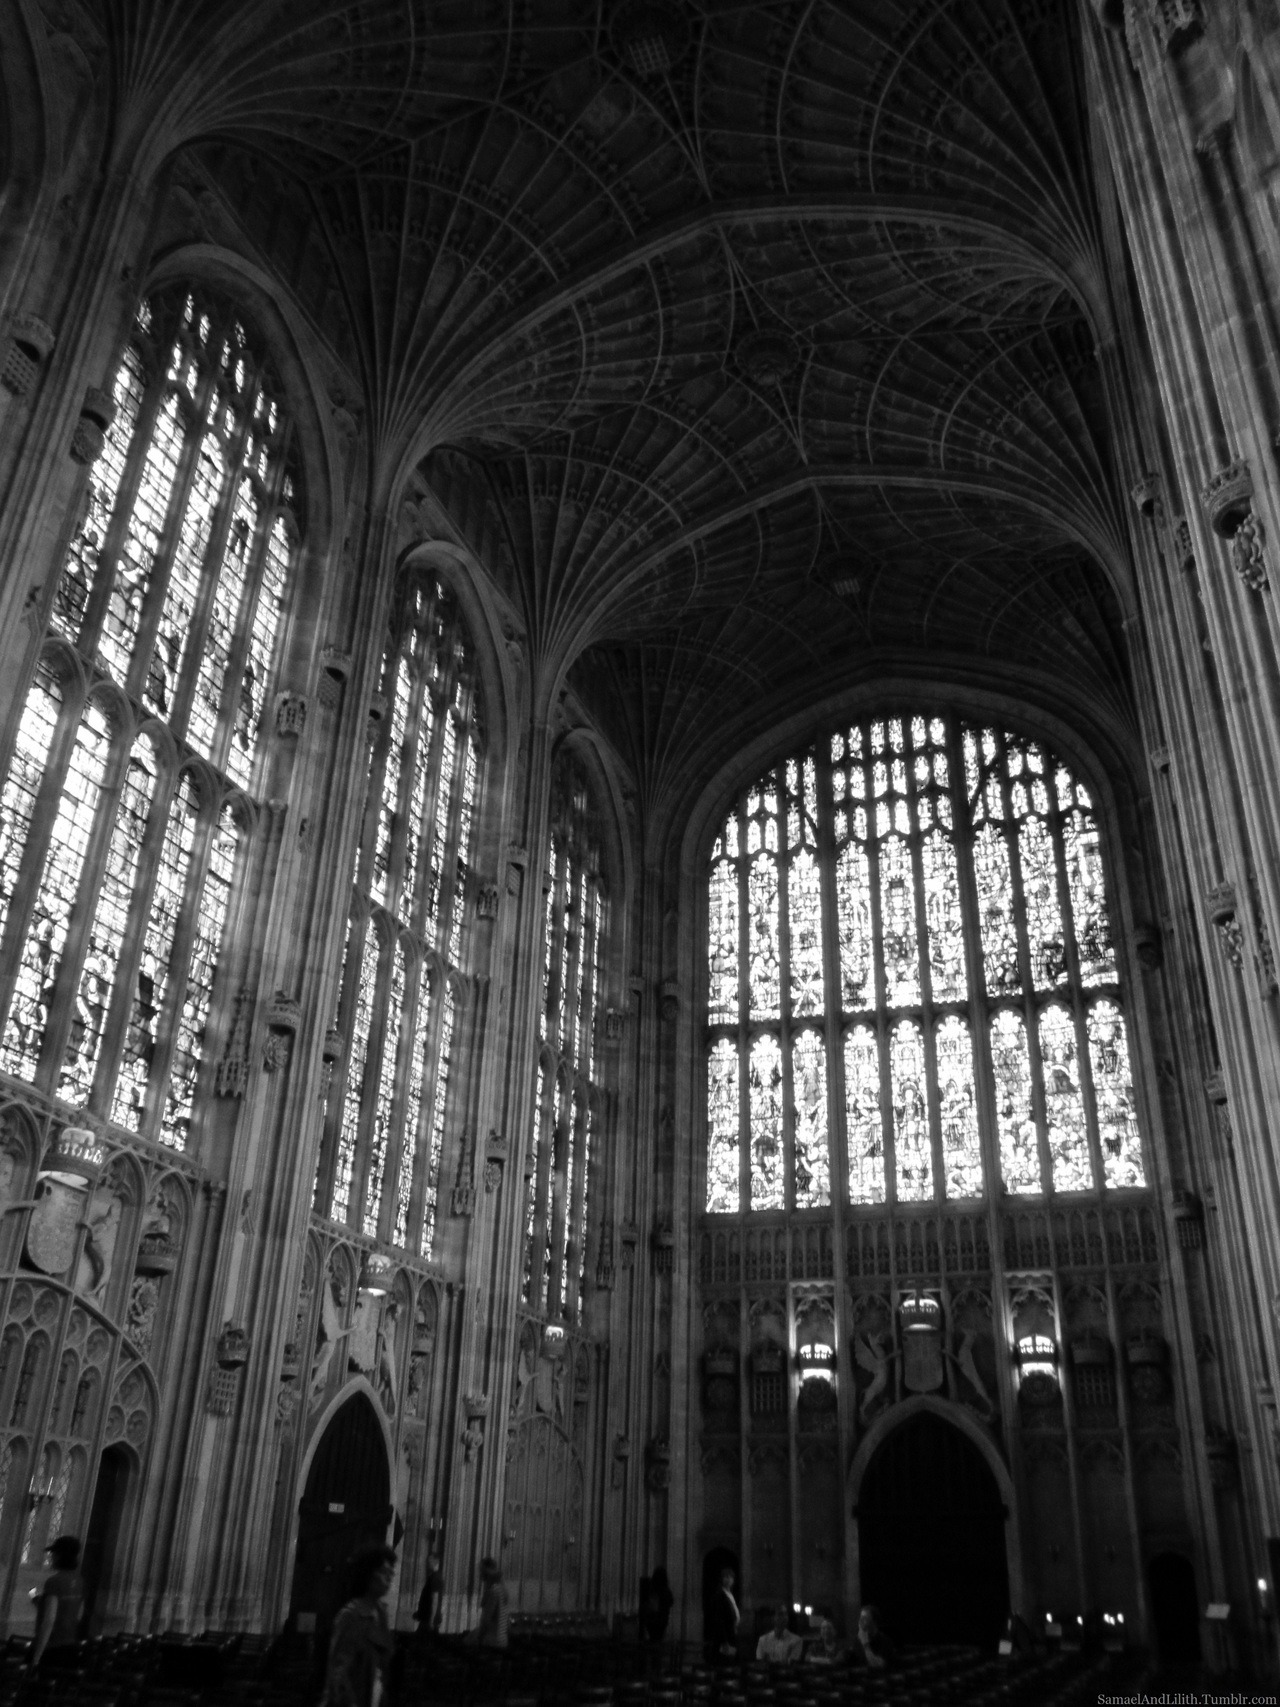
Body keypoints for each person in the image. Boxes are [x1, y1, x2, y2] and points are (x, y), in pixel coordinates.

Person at [321, 1544, 397, 1707]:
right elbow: (338, 1674)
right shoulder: (351, 1615)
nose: (390, 1577)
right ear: (368, 1575)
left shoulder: (381, 1613)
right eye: (384, 1571)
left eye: (391, 1572)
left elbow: (382, 1666)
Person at [30, 1535, 83, 1669]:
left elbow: (49, 1620)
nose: (51, 1557)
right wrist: (40, 1603)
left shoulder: (54, 1582)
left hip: (52, 1647)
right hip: (70, 1646)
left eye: (53, 1553)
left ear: (60, 1556)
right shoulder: (80, 1581)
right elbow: (77, 1614)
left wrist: (36, 1657)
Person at [705, 1565, 740, 1661]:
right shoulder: (720, 1596)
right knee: (724, 1663)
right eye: (726, 1577)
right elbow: (719, 1619)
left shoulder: (730, 1595)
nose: (728, 1579)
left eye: (730, 1577)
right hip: (723, 1638)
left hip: (731, 1634)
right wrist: (724, 1641)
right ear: (722, 1579)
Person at [472, 1556, 508, 1649]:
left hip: (492, 1641)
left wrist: (478, 1638)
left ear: (486, 1571)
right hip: (501, 1639)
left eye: (480, 1570)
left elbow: (486, 1620)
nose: (479, 1573)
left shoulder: (493, 1591)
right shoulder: (501, 1589)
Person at [639, 1566, 674, 1643]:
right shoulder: (666, 1591)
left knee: (653, 1640)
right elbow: (671, 1602)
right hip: (662, 1620)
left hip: (652, 1619)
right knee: (658, 1640)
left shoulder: (652, 1589)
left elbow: (649, 1604)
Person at [855, 1604, 895, 1670]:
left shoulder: (885, 1641)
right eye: (860, 1618)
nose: (860, 1621)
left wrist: (866, 1645)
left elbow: (877, 1666)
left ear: (874, 1621)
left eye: (864, 1618)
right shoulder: (858, 1641)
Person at [414, 1551, 444, 1637]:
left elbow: (435, 1600)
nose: (427, 1563)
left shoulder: (436, 1578)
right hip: (426, 1617)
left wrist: (431, 1620)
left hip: (429, 1619)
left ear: (436, 1561)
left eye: (429, 1561)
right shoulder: (433, 1577)